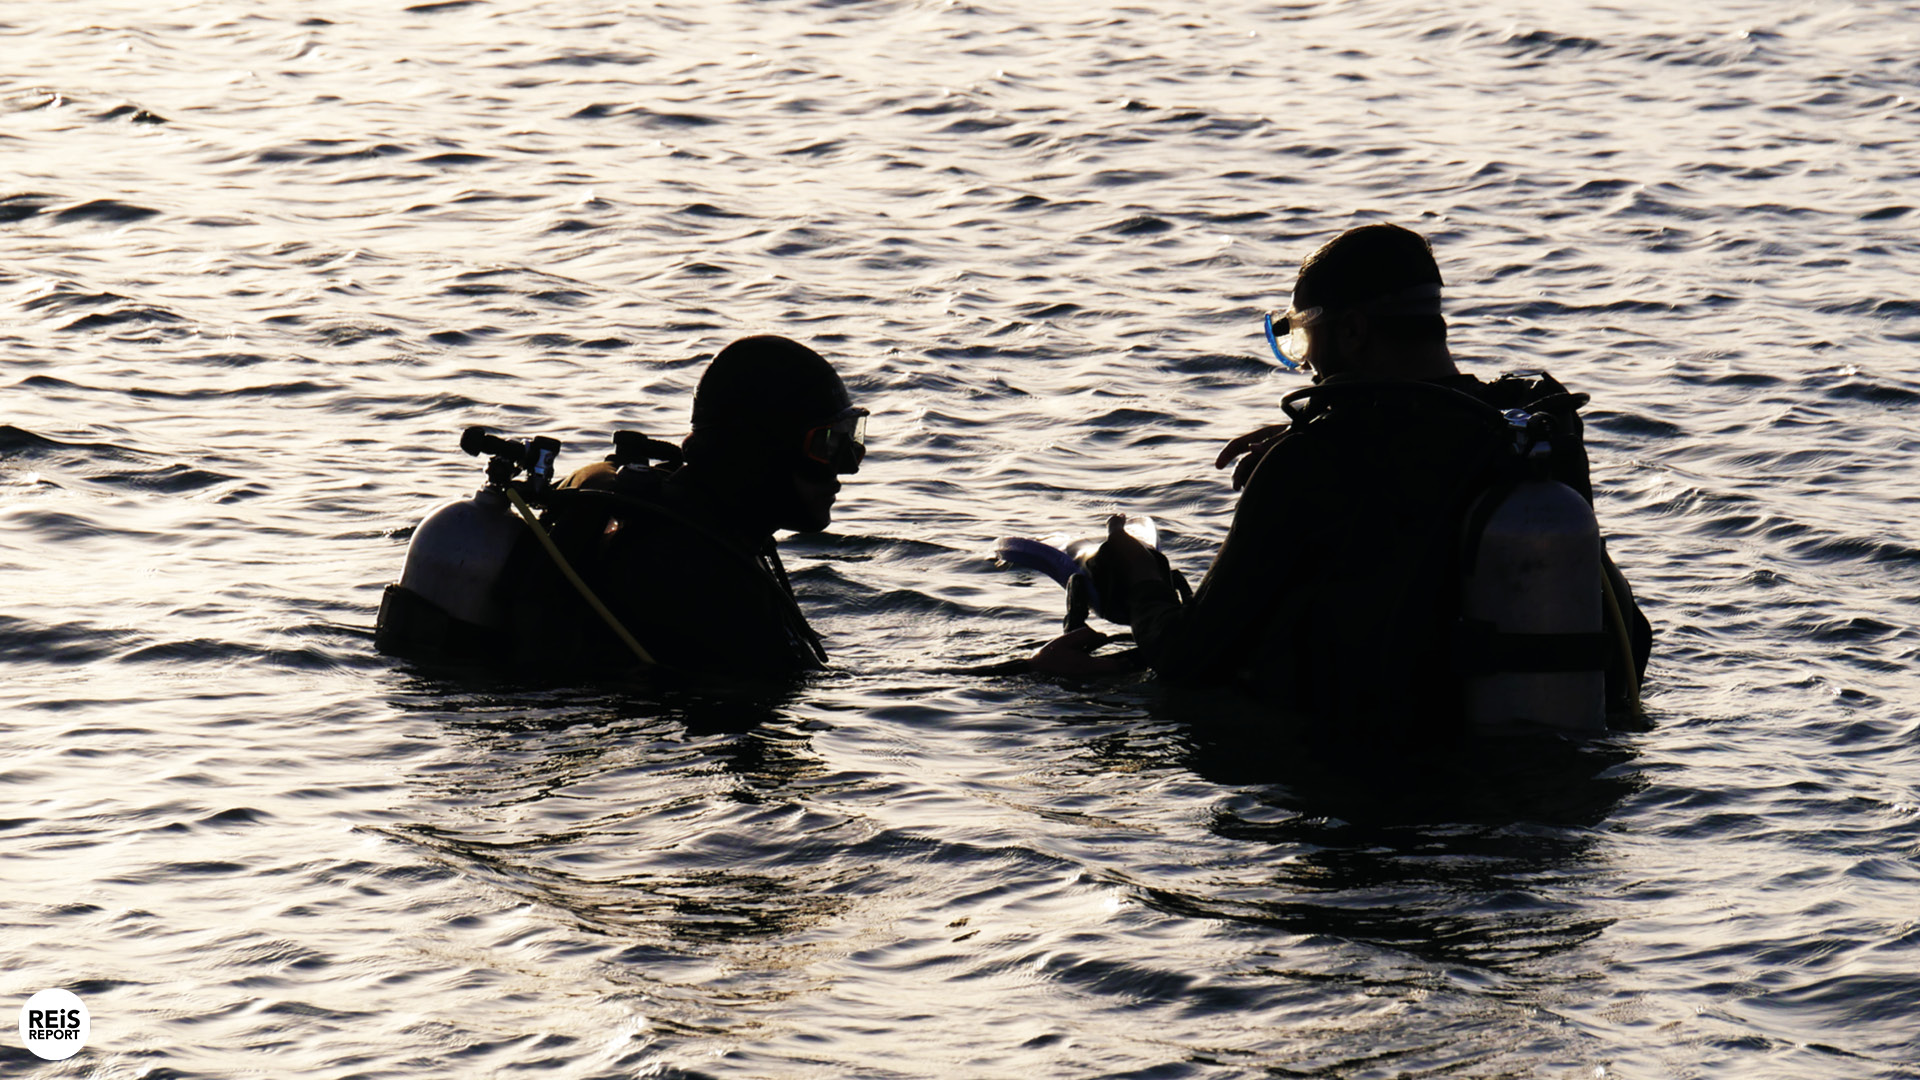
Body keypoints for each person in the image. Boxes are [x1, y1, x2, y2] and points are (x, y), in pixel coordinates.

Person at [1034, 223, 1652, 736]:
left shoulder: (1312, 463)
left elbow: (1188, 664)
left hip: (1373, 789)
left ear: (1352, 331)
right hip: (1538, 779)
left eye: (1303, 338)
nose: (1305, 364)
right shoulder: (1528, 440)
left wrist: (1144, 581)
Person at [380, 334, 867, 678]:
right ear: (757, 452)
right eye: (827, 444)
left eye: (851, 440)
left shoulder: (690, 527)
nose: (846, 467)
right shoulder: (711, 581)